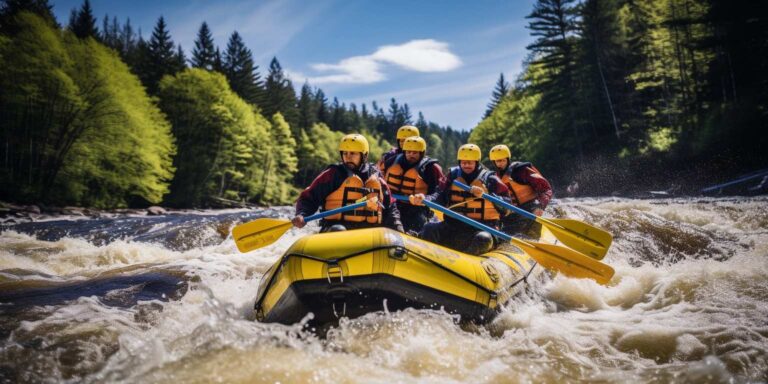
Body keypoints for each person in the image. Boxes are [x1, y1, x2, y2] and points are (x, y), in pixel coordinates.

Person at [410, 144, 511, 255]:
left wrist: (487, 194)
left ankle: (468, 264)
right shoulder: (452, 176)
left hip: (483, 227)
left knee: (483, 238)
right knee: (429, 228)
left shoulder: (490, 179)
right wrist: (424, 199)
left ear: (476, 162)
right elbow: (439, 195)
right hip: (454, 225)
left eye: (470, 163)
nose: (466, 165)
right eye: (463, 162)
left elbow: (507, 207)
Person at [292, 134, 404, 233]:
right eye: (345, 153)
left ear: (364, 155)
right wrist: (302, 214)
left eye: (353, 153)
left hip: (370, 232)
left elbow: (390, 206)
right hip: (335, 229)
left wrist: (398, 228)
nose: (347, 157)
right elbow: (309, 197)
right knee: (338, 230)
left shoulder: (376, 176)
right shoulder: (333, 174)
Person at [384, 136, 444, 234]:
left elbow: (439, 194)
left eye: (415, 153)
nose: (411, 155)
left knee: (416, 227)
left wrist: (425, 198)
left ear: (422, 153)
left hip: (416, 209)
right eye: (408, 152)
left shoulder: (430, 168)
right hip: (393, 206)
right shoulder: (391, 161)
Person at [488, 144, 553, 235]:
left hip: (532, 208)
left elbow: (545, 188)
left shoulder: (522, 170)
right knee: (505, 230)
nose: (501, 163)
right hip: (513, 213)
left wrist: (540, 207)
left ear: (508, 159)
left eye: (503, 160)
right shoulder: (494, 178)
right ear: (494, 162)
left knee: (531, 231)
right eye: (498, 161)